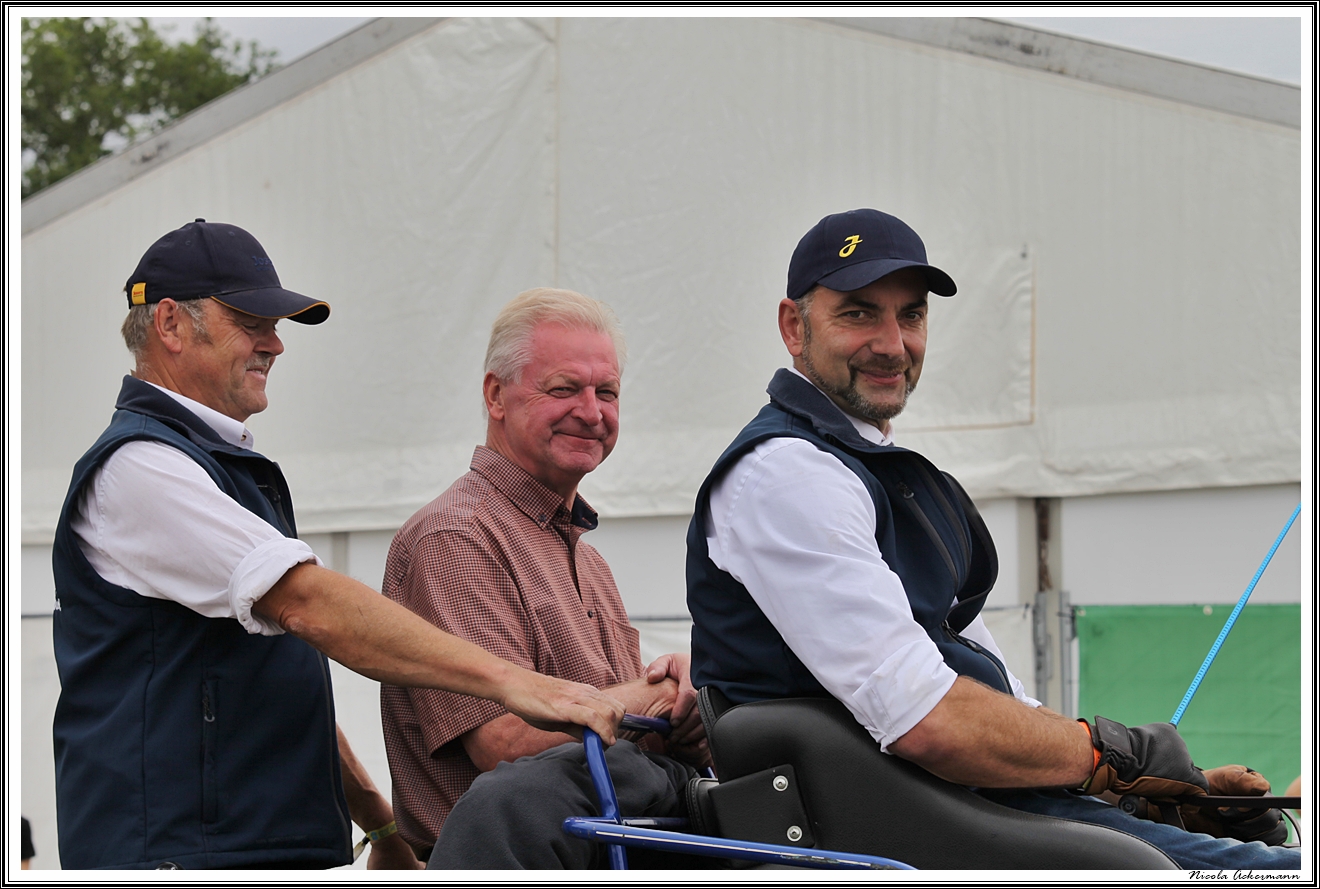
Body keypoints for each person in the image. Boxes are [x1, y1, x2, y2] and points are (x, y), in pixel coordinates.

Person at [685, 208, 1300, 870]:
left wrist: (1148, 789)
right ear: (793, 326)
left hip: (976, 809)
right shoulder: (785, 473)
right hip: (901, 832)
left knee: (1267, 854)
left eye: (911, 315)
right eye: (858, 314)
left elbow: (1000, 699)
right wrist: (1113, 757)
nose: (892, 344)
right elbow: (929, 718)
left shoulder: (884, 473)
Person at [51, 222, 624, 871]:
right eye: (251, 323)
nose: (275, 344)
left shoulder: (212, 467)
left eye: (607, 391)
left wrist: (380, 823)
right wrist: (518, 684)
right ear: (170, 324)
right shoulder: (141, 468)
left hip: (231, 852)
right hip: (180, 859)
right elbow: (310, 604)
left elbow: (280, 681)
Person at [380, 288, 708, 868]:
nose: (592, 412)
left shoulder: (588, 559)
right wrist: (656, 694)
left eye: (607, 392)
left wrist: (684, 709)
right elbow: (505, 746)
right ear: (495, 396)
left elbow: (618, 741)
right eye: (563, 388)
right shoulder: (456, 537)